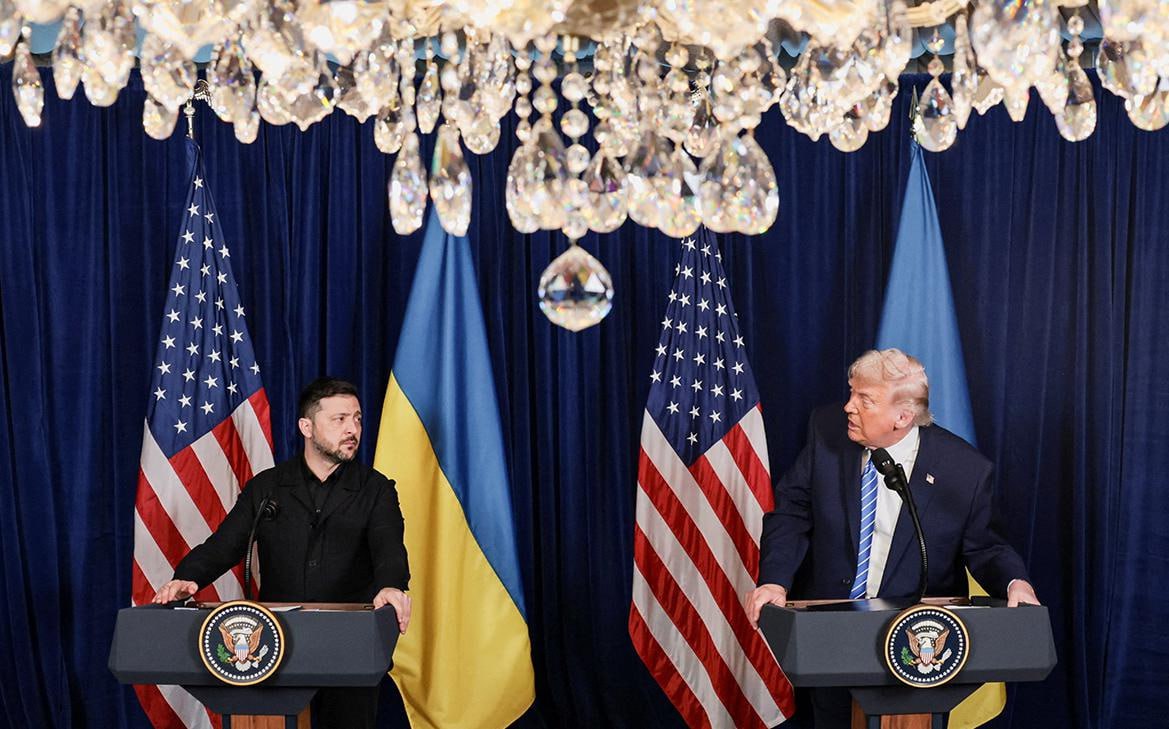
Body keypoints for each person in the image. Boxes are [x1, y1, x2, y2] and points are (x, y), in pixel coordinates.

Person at [744, 349, 1038, 728]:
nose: (849, 407)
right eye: (851, 392)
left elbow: (986, 546)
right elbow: (792, 511)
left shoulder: (964, 470)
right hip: (830, 636)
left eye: (864, 399)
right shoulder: (827, 431)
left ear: (903, 417)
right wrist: (774, 580)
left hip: (914, 644)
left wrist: (1015, 582)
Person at [152, 377, 410, 729]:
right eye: (339, 419)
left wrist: (392, 585)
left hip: (350, 647)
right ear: (307, 427)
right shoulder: (268, 487)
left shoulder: (376, 490)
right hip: (276, 647)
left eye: (357, 419)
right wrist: (188, 577)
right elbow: (224, 545)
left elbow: (389, 548)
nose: (353, 429)